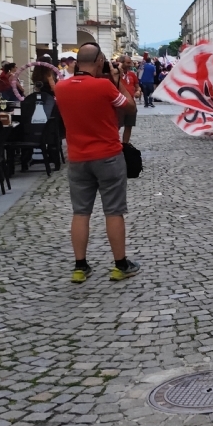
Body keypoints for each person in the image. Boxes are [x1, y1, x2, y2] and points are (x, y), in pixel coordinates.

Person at [55, 43, 139, 283]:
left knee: (81, 212)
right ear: (100, 60)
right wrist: (117, 80)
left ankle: (80, 267)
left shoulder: (61, 87)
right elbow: (130, 107)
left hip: (78, 157)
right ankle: (120, 265)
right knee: (114, 211)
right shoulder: (104, 86)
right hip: (108, 155)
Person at [119, 58, 139, 145]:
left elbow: (137, 86)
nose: (130, 65)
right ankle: (114, 144)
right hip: (119, 104)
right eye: (127, 63)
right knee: (116, 126)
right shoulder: (115, 75)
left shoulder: (132, 74)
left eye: (130, 63)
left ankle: (125, 144)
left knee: (129, 125)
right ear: (121, 63)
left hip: (131, 104)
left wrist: (138, 91)